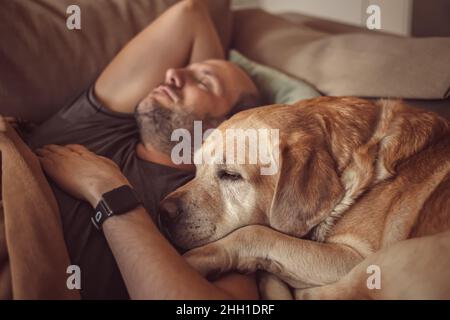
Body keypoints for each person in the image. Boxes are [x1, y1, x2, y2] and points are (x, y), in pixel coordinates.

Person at [27, 0, 260, 299]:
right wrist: (203, 84)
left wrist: (108, 192)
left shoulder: (219, 211)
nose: (172, 74)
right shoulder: (97, 124)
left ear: (225, 130)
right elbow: (190, 14)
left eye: (203, 82)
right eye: (185, 70)